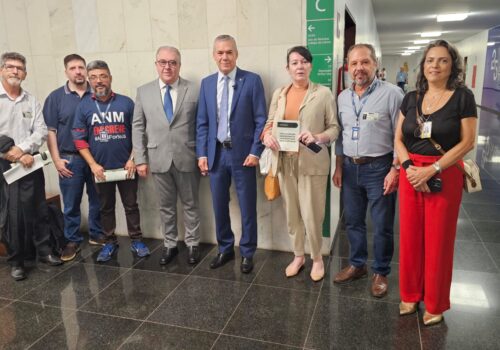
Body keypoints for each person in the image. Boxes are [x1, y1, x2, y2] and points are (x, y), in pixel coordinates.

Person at [395, 40, 477, 326]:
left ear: (452, 65)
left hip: (444, 173)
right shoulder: (411, 97)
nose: (435, 66)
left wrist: (432, 169)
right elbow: (398, 139)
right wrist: (407, 167)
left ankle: (435, 302)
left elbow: (468, 141)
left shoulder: (462, 97)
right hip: (410, 173)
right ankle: (409, 293)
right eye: (430, 60)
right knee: (410, 237)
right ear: (423, 65)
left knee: (439, 241)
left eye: (442, 60)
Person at [261, 46, 339, 281]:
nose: (300, 66)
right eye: (294, 63)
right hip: (285, 163)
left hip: (312, 163)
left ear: (311, 66)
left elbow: (334, 129)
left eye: (304, 62)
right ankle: (298, 256)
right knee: (292, 214)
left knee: (312, 214)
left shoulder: (323, 94)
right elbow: (269, 122)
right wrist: (266, 136)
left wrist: (318, 137)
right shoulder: (280, 94)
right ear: (288, 68)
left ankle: (316, 258)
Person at [332, 43, 403, 298]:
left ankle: (381, 271)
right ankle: (357, 264)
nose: (359, 68)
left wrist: (395, 169)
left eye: (365, 62)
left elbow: (400, 134)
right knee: (353, 221)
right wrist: (339, 166)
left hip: (380, 167)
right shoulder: (342, 97)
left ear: (375, 64)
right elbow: (340, 136)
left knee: (382, 224)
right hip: (350, 169)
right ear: (347, 67)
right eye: (354, 63)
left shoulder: (392, 94)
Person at [196, 35, 267, 274]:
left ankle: (247, 252)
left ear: (236, 54)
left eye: (229, 52)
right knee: (218, 205)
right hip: (216, 155)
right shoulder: (206, 83)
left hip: (244, 156)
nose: (224, 57)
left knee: (247, 207)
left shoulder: (252, 81)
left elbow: (261, 120)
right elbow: (202, 123)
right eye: (220, 53)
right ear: (214, 55)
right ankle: (225, 248)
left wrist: (256, 151)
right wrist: (202, 154)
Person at [72, 60, 150, 262]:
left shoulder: (126, 103)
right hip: (100, 169)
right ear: (89, 80)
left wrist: (133, 158)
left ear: (110, 78)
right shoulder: (84, 106)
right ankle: (109, 243)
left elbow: (138, 132)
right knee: (105, 207)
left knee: (131, 205)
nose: (99, 81)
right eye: (95, 77)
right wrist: (92, 164)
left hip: (127, 167)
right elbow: (79, 140)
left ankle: (137, 240)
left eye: (103, 76)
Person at [132, 46, 201, 265]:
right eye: (163, 62)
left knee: (190, 204)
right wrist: (140, 159)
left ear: (179, 65)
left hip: (187, 156)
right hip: (158, 158)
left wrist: (202, 156)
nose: (167, 66)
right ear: (156, 64)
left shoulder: (194, 90)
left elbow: (202, 125)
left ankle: (192, 244)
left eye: (172, 62)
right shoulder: (144, 92)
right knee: (166, 206)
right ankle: (170, 245)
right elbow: (137, 127)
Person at [0, 52, 62, 280]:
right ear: (1, 70)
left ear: (25, 73)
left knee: (39, 209)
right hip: (4, 165)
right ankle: (17, 261)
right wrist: (12, 154)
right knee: (12, 216)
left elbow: (42, 130)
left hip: (30, 163)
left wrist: (23, 150)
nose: (15, 71)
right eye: (10, 67)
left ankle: (44, 252)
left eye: (19, 68)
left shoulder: (31, 100)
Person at [43, 54, 105, 262]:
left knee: (98, 198)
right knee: (71, 203)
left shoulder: (97, 93)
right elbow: (50, 131)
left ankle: (97, 233)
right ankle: (72, 240)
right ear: (66, 71)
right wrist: (56, 159)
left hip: (95, 157)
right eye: (73, 68)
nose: (78, 71)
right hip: (70, 158)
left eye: (81, 67)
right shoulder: (55, 98)